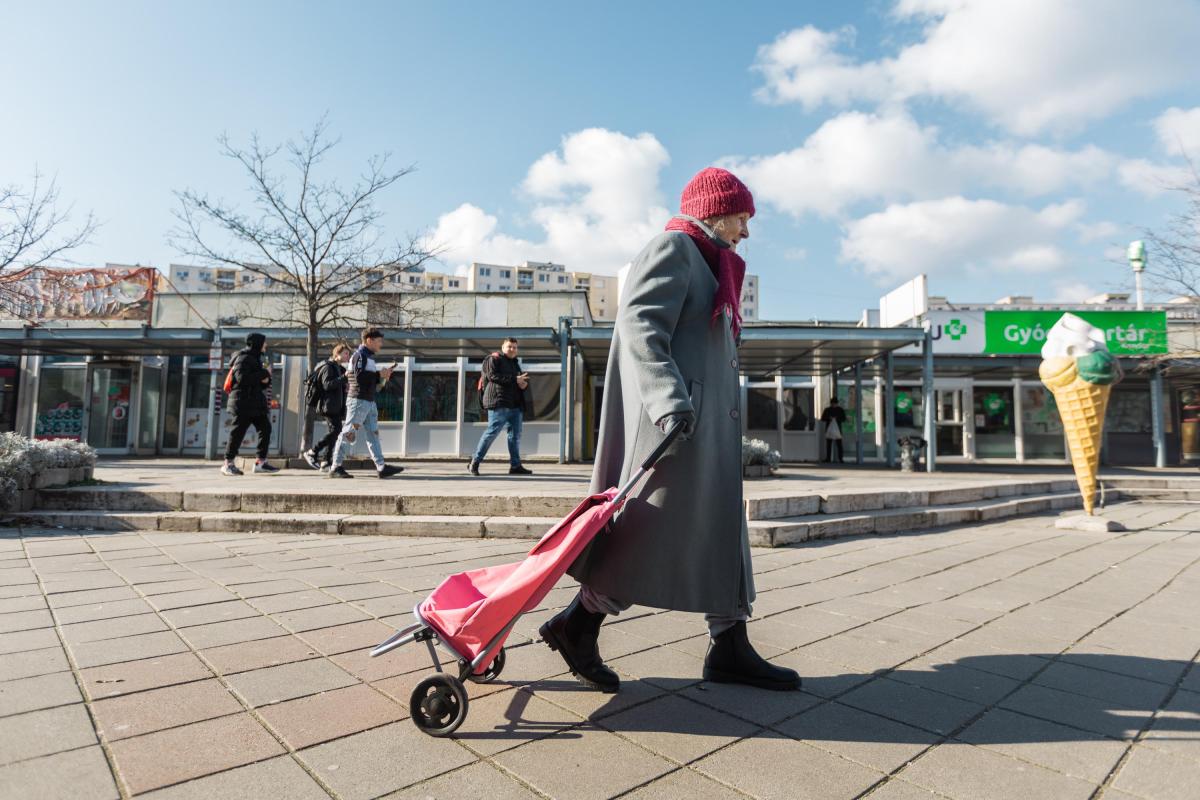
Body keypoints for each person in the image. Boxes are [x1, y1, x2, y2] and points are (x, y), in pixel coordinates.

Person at [550, 167, 801, 694]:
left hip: (703, 430)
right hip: (675, 430)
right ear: (715, 211)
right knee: (642, 536)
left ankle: (729, 643)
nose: (746, 232)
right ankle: (578, 625)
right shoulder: (674, 248)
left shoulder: (711, 264)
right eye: (742, 219)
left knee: (719, 529)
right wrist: (670, 401)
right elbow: (640, 323)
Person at [328, 328, 404, 480]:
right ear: (369, 340)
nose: (380, 345)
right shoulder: (359, 355)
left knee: (373, 434)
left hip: (368, 401)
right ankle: (335, 467)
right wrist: (378, 375)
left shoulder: (367, 357)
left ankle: (381, 467)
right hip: (359, 401)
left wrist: (381, 377)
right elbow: (359, 377)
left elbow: (367, 379)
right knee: (348, 433)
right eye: (379, 341)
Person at [467, 338, 534, 476]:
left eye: (515, 347)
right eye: (509, 346)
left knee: (515, 436)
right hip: (499, 403)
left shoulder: (515, 363)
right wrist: (514, 379)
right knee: (492, 433)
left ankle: (515, 466)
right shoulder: (493, 359)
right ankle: (475, 462)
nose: (512, 349)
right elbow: (492, 376)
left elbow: (518, 381)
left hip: (515, 406)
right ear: (503, 347)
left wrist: (523, 385)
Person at [222, 332, 279, 475]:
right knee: (238, 432)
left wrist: (266, 380)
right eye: (264, 342)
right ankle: (228, 464)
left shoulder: (255, 358)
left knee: (265, 429)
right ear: (257, 343)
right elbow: (242, 379)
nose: (266, 345)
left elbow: (258, 384)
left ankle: (261, 463)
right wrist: (264, 374)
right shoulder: (244, 358)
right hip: (243, 403)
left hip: (253, 403)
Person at [303, 343, 351, 471]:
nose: (348, 356)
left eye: (348, 353)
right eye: (345, 353)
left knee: (334, 432)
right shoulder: (328, 367)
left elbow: (338, 385)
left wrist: (344, 385)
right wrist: (343, 378)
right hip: (328, 406)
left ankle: (326, 461)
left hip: (335, 406)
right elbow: (327, 385)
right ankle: (312, 452)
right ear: (337, 354)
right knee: (336, 431)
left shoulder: (338, 368)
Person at [821, 397, 847, 463]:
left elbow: (823, 418)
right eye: (833, 403)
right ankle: (839, 459)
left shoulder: (827, 410)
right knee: (838, 445)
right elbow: (844, 419)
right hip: (837, 429)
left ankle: (829, 459)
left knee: (831, 445)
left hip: (830, 429)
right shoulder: (840, 410)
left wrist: (831, 418)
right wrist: (836, 419)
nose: (833, 405)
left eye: (834, 403)